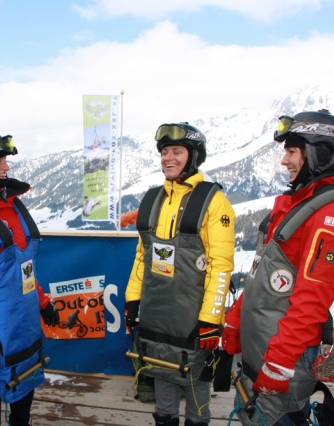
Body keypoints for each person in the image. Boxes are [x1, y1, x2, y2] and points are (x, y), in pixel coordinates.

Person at [221, 110, 334, 426]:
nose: (284, 161)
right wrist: (235, 319)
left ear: (316, 154)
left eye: (291, 151)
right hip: (261, 348)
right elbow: (264, 274)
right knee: (252, 416)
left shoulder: (332, 217)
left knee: (274, 417)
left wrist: (281, 362)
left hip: (283, 353)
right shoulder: (299, 204)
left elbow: (312, 300)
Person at [124, 122, 236, 426]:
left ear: (194, 156)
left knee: (197, 387)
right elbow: (142, 256)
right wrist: (132, 301)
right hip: (157, 316)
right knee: (161, 376)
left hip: (194, 320)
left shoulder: (213, 201)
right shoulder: (152, 199)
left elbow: (221, 266)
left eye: (176, 151)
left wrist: (212, 319)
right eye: (164, 152)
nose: (167, 158)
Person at [0, 131, 59, 426]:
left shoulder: (13, 205)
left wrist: (42, 302)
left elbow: (23, 265)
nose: (6, 168)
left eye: (5, 161)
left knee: (26, 376)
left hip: (25, 319)